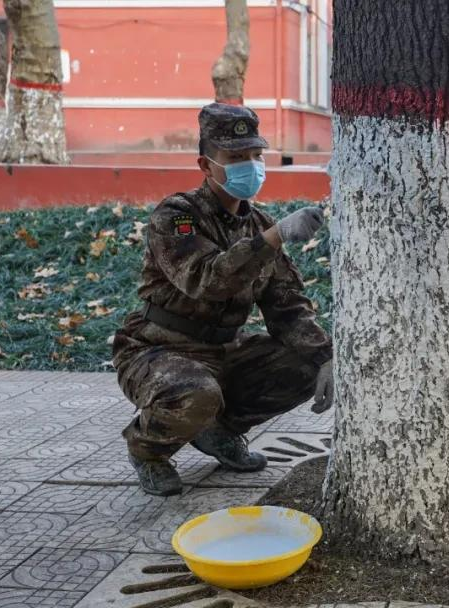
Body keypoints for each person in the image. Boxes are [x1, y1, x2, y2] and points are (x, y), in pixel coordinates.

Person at [111, 103, 334, 496]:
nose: (249, 166)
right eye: (234, 157)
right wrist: (274, 239)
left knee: (303, 364)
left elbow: (287, 305)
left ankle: (219, 432)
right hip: (159, 347)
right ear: (206, 164)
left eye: (255, 156)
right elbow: (205, 280)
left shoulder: (259, 224)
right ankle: (148, 450)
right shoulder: (177, 216)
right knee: (196, 394)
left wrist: (325, 358)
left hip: (225, 348)